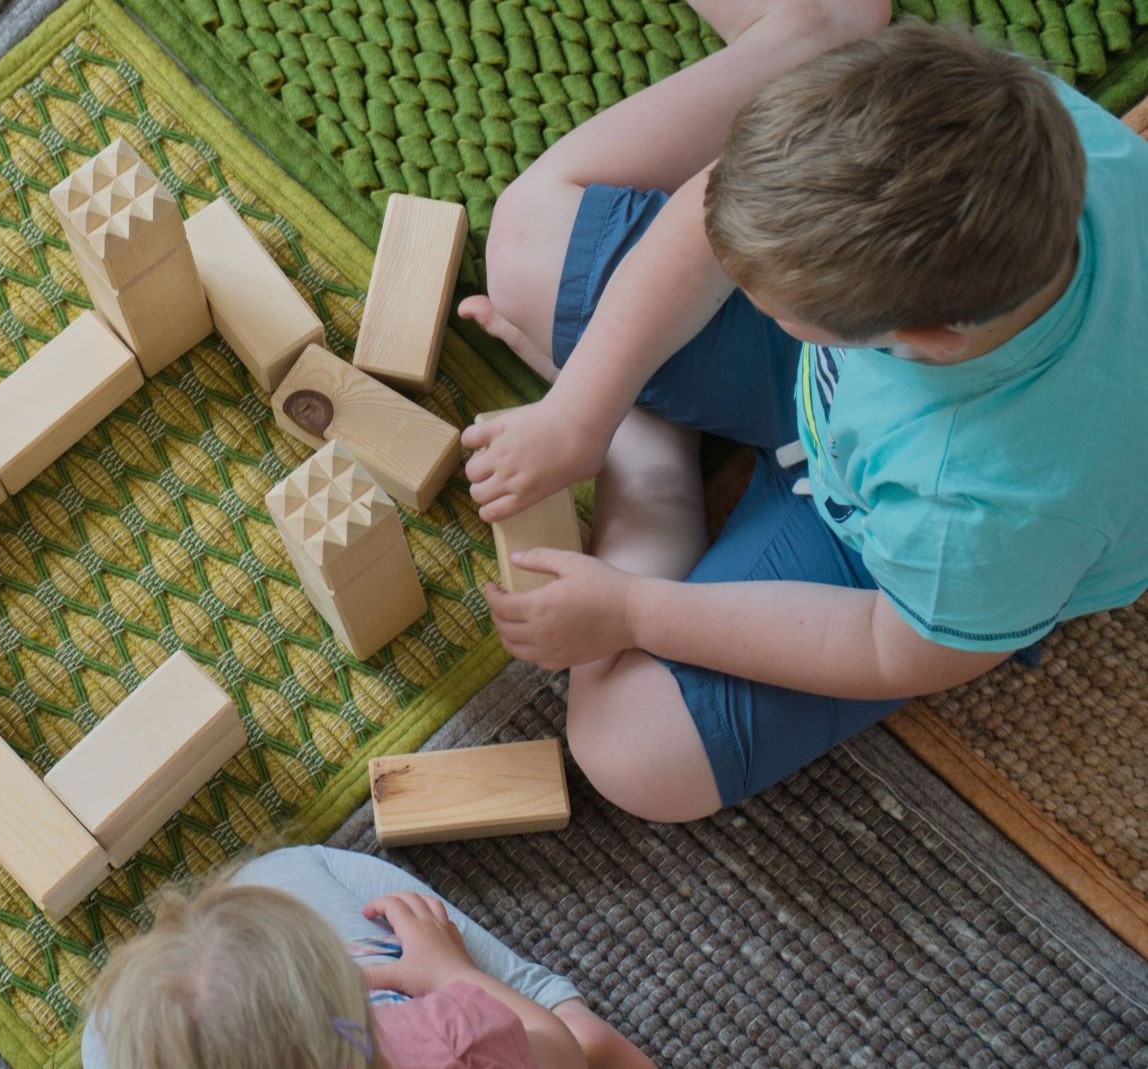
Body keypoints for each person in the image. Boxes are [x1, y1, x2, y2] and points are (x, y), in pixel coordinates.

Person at [457, 1, 1148, 821]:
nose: (732, 274)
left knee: (632, 751)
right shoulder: (1015, 121)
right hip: (855, 385)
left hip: (883, 549)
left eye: (763, 294)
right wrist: (577, 410)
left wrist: (636, 610)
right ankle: (813, 30)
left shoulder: (991, 511)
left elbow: (890, 648)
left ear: (924, 338)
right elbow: (718, 214)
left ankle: (650, 455)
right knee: (525, 250)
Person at [79, 845, 653, 1068]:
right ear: (344, 1002)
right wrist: (451, 974)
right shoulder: (452, 1037)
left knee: (99, 1040)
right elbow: (561, 1057)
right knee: (278, 870)